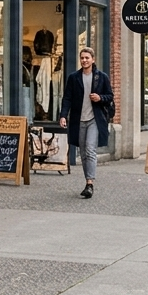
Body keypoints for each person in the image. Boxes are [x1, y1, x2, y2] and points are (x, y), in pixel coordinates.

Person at [58, 47, 114, 199]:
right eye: (82, 58)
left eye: (87, 58)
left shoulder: (101, 77)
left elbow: (110, 96)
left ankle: (90, 183)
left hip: (94, 119)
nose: (84, 60)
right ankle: (87, 180)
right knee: (83, 152)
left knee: (90, 150)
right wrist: (63, 115)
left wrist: (99, 98)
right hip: (78, 119)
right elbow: (67, 98)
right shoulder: (74, 77)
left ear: (93, 59)